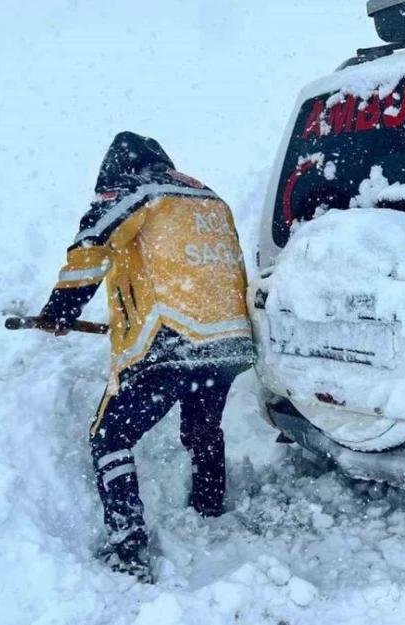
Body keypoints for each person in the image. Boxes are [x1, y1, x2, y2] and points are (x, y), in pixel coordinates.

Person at [37, 131, 254, 581]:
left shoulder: (136, 190)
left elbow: (91, 242)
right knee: (202, 430)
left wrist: (61, 310)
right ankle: (209, 511)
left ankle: (127, 543)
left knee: (109, 437)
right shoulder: (208, 197)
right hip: (229, 341)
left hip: (171, 340)